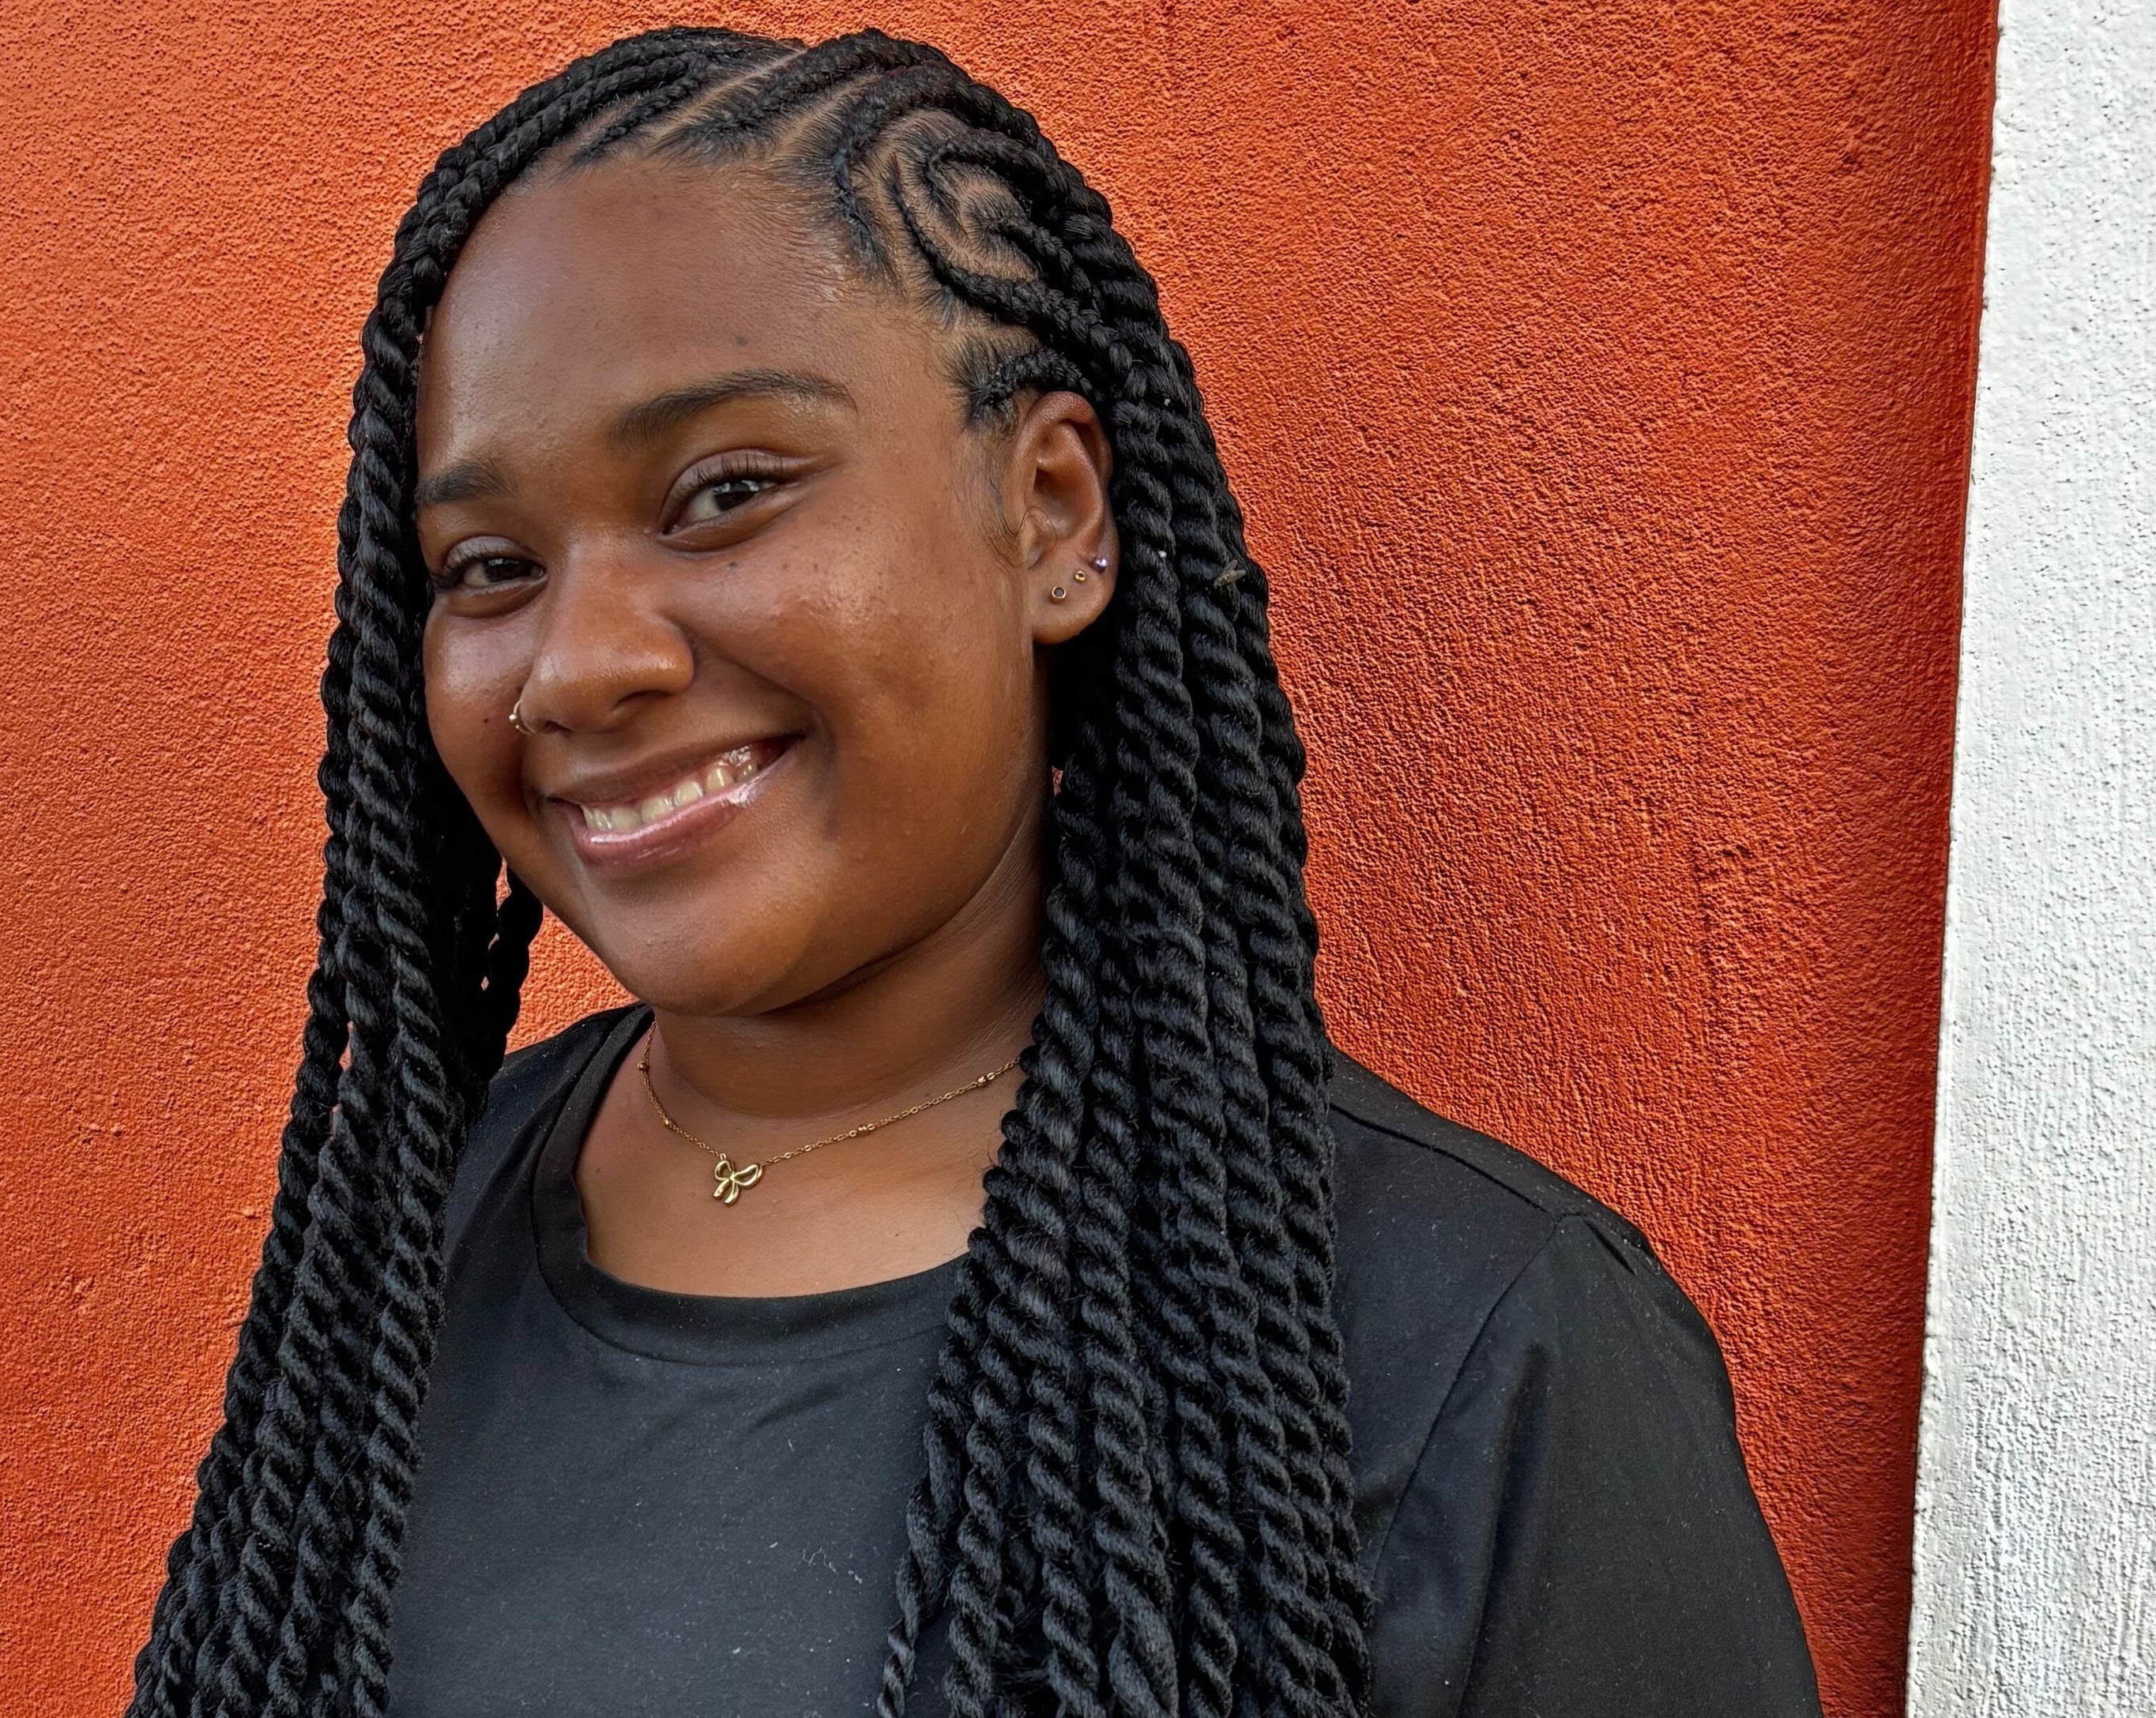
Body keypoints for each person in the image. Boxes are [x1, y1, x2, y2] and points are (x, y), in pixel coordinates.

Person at [126, 26, 1820, 1718]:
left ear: (1055, 514)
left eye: (724, 493)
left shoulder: (1472, 1349)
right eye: (488, 565)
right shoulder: (395, 1254)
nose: (580, 664)